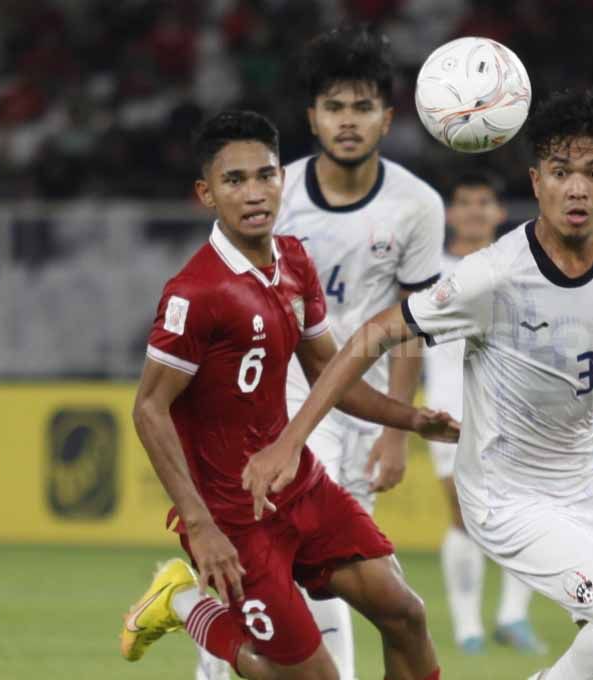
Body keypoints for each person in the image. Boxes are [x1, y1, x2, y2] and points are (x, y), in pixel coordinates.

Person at [242, 90, 593, 680]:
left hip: (585, 482)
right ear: (537, 182)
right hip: (504, 494)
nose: (578, 189)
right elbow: (370, 337)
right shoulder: (492, 275)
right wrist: (291, 440)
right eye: (561, 173)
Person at [120, 110, 453, 680]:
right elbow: (148, 409)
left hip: (301, 489)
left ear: (281, 180)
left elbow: (330, 375)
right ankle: (184, 604)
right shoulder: (196, 292)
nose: (254, 193)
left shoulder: (295, 261)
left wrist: (411, 418)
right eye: (234, 181)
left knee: (407, 615)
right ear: (206, 194)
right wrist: (201, 527)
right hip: (233, 519)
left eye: (265, 175)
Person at [221, 26, 443, 680]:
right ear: (313, 118)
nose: (349, 122)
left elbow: (413, 323)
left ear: (387, 118)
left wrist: (398, 431)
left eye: (363, 107)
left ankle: (205, 628)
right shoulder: (272, 194)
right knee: (296, 562)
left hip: (361, 408)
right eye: (335, 107)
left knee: (346, 578)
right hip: (277, 405)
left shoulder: (417, 207)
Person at [424, 173, 544, 655]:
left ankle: (512, 617)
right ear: (450, 214)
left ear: (499, 213)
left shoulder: (519, 267)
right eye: (465, 202)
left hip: (515, 407)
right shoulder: (429, 268)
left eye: (484, 203)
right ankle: (467, 627)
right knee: (463, 517)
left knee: (530, 513)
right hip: (447, 407)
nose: (475, 211)